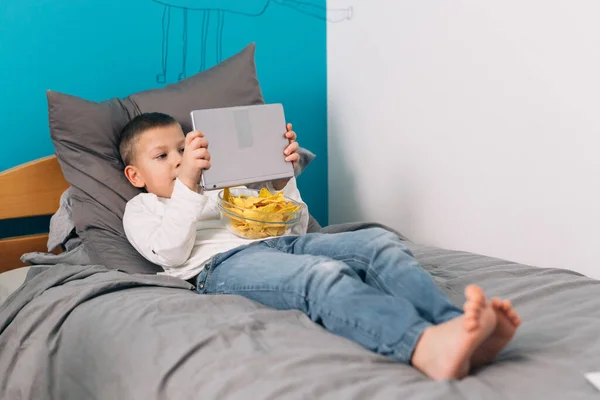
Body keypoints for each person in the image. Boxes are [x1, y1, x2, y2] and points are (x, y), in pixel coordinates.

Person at [120, 112, 522, 380]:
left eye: (182, 148)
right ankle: (420, 345)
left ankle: (454, 325)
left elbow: (293, 223)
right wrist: (188, 183)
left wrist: (281, 180)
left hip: (282, 243)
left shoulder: (229, 186)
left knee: (378, 242)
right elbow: (170, 253)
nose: (178, 159)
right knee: (322, 276)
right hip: (221, 266)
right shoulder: (142, 209)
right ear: (135, 174)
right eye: (163, 155)